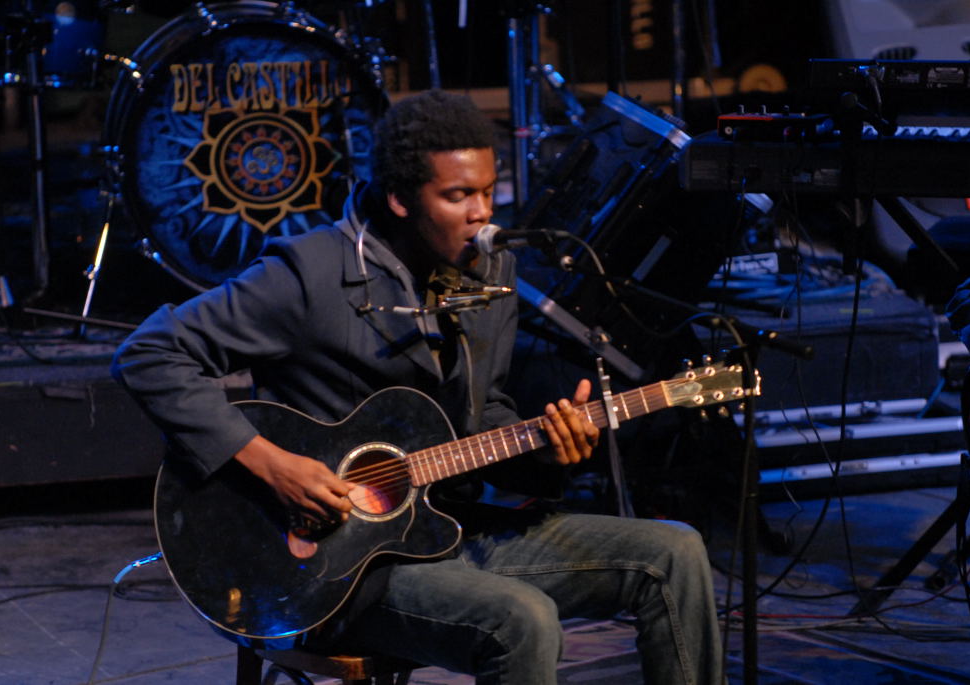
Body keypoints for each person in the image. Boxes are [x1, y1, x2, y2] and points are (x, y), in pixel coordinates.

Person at [112, 89, 724, 684]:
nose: (481, 214)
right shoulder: (310, 274)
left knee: (675, 552)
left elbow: (486, 416)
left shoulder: (491, 274)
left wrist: (547, 449)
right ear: (400, 199)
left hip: (445, 527)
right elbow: (149, 352)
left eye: (487, 191)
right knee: (521, 619)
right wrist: (273, 465)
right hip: (337, 566)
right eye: (458, 196)